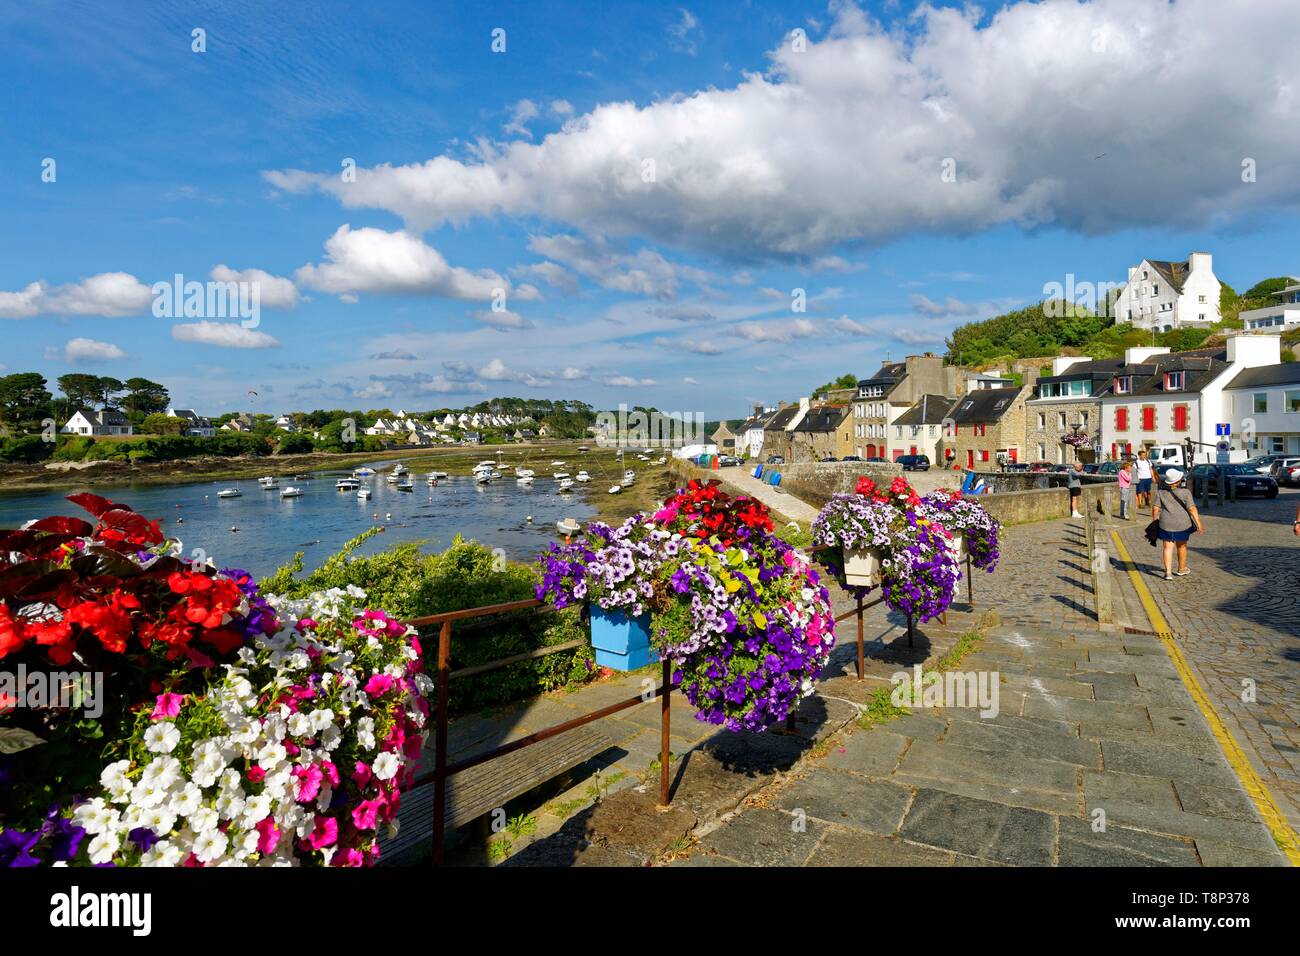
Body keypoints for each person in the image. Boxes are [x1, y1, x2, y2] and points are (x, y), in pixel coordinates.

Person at [1151, 468, 1204, 581]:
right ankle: (1181, 569)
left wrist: (1154, 520)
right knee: (1181, 546)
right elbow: (1192, 509)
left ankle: (1168, 573)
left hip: (1166, 523)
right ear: (1179, 480)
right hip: (1182, 523)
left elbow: (1156, 508)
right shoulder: (1185, 492)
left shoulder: (1161, 492)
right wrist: (1198, 523)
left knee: (1167, 547)